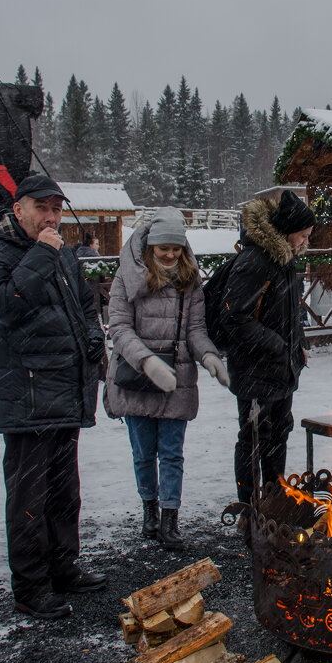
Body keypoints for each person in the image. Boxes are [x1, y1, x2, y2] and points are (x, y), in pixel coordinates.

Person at [0, 174, 107, 620]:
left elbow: (84, 305)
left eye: (56, 209)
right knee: (28, 498)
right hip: (28, 393)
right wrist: (41, 254)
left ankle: (63, 566)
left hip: (66, 389)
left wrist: (93, 340)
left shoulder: (61, 250)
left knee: (64, 492)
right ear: (18, 209)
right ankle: (31, 587)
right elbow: (2, 303)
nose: (50, 217)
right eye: (41, 208)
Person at [104, 207, 230, 550]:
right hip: (137, 376)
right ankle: (150, 511)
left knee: (172, 453)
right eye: (164, 248)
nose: (171, 254)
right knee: (144, 452)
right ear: (151, 247)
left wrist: (208, 355)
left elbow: (195, 329)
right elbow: (119, 328)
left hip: (177, 378)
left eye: (176, 248)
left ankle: (170, 518)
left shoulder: (189, 280)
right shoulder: (126, 277)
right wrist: (146, 362)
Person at [220, 189, 314, 507]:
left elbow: (288, 313)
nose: (305, 241)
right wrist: (277, 345)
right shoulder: (254, 260)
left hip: (281, 368)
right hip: (255, 369)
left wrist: (297, 344)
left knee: (278, 436)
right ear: (287, 231)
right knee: (254, 440)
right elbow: (235, 316)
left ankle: (274, 500)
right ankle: (249, 507)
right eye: (302, 235)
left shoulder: (283, 259)